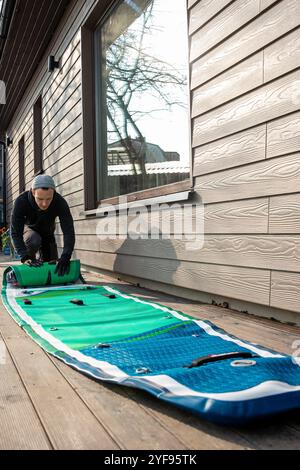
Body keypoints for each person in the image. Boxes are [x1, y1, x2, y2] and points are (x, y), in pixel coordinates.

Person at [10, 174, 75, 276]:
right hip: (30, 231)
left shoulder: (60, 202)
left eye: (48, 199)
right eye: (40, 199)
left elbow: (68, 231)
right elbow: (15, 233)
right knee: (34, 239)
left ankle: (43, 259)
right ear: (33, 192)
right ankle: (30, 261)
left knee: (53, 268)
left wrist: (66, 256)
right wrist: (24, 256)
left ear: (54, 193)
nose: (44, 204)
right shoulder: (21, 201)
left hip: (48, 233)